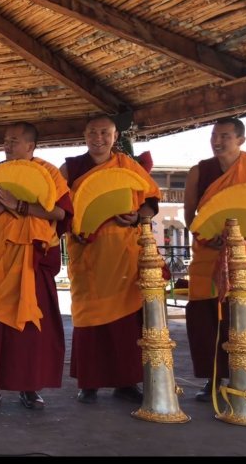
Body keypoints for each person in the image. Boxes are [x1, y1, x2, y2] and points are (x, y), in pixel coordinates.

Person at [0, 122, 70, 412]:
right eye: (5, 141)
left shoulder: (48, 174)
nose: (7, 146)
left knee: (31, 328)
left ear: (30, 147)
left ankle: (29, 387)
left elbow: (60, 212)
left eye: (14, 141)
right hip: (0, 254)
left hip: (32, 257)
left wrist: (21, 206)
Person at [183, 117, 246, 410]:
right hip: (209, 252)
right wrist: (205, 234)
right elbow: (192, 215)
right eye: (214, 136)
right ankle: (213, 379)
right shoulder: (200, 171)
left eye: (225, 136)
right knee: (209, 317)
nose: (218, 141)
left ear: (240, 140)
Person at [60, 115, 160, 404]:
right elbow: (57, 205)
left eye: (105, 132)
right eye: (93, 132)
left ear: (115, 137)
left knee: (126, 321)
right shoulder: (71, 167)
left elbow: (150, 201)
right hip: (87, 253)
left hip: (122, 254)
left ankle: (126, 383)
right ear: (85, 134)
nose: (99, 137)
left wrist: (137, 216)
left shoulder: (128, 166)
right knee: (89, 319)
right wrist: (73, 227)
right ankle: (89, 383)